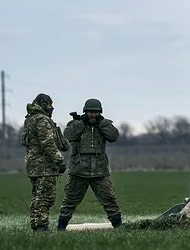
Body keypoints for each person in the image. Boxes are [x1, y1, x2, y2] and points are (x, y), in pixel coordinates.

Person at [57, 98, 122, 230]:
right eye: (90, 112)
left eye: (96, 112)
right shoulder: (76, 124)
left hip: (99, 171)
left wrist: (102, 123)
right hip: (79, 171)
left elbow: (114, 137)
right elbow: (68, 136)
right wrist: (80, 123)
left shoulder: (103, 126)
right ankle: (61, 228)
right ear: (85, 112)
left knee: (109, 200)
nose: (93, 115)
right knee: (70, 201)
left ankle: (119, 227)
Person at [23, 93, 69, 232]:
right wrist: (59, 160)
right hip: (44, 166)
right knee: (45, 197)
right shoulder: (42, 120)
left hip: (33, 164)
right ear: (43, 104)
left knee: (38, 196)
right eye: (50, 104)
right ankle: (42, 227)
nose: (52, 108)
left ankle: (37, 224)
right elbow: (47, 142)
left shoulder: (30, 119)